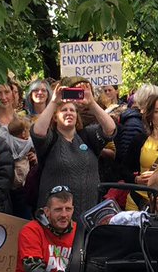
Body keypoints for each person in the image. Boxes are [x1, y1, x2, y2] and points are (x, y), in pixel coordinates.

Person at [31, 83, 116, 222]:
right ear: (54, 117)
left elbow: (110, 129)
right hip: (56, 218)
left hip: (87, 214)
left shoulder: (87, 136)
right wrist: (53, 102)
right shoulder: (50, 139)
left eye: (72, 110)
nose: (69, 113)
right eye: (64, 110)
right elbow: (38, 131)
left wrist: (91, 103)